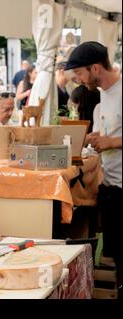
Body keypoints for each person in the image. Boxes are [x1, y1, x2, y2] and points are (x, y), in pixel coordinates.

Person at [66, 41, 122, 300]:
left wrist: (110, 142)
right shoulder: (104, 96)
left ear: (96, 68)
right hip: (111, 188)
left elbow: (115, 139)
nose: (76, 79)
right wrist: (97, 137)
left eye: (78, 73)